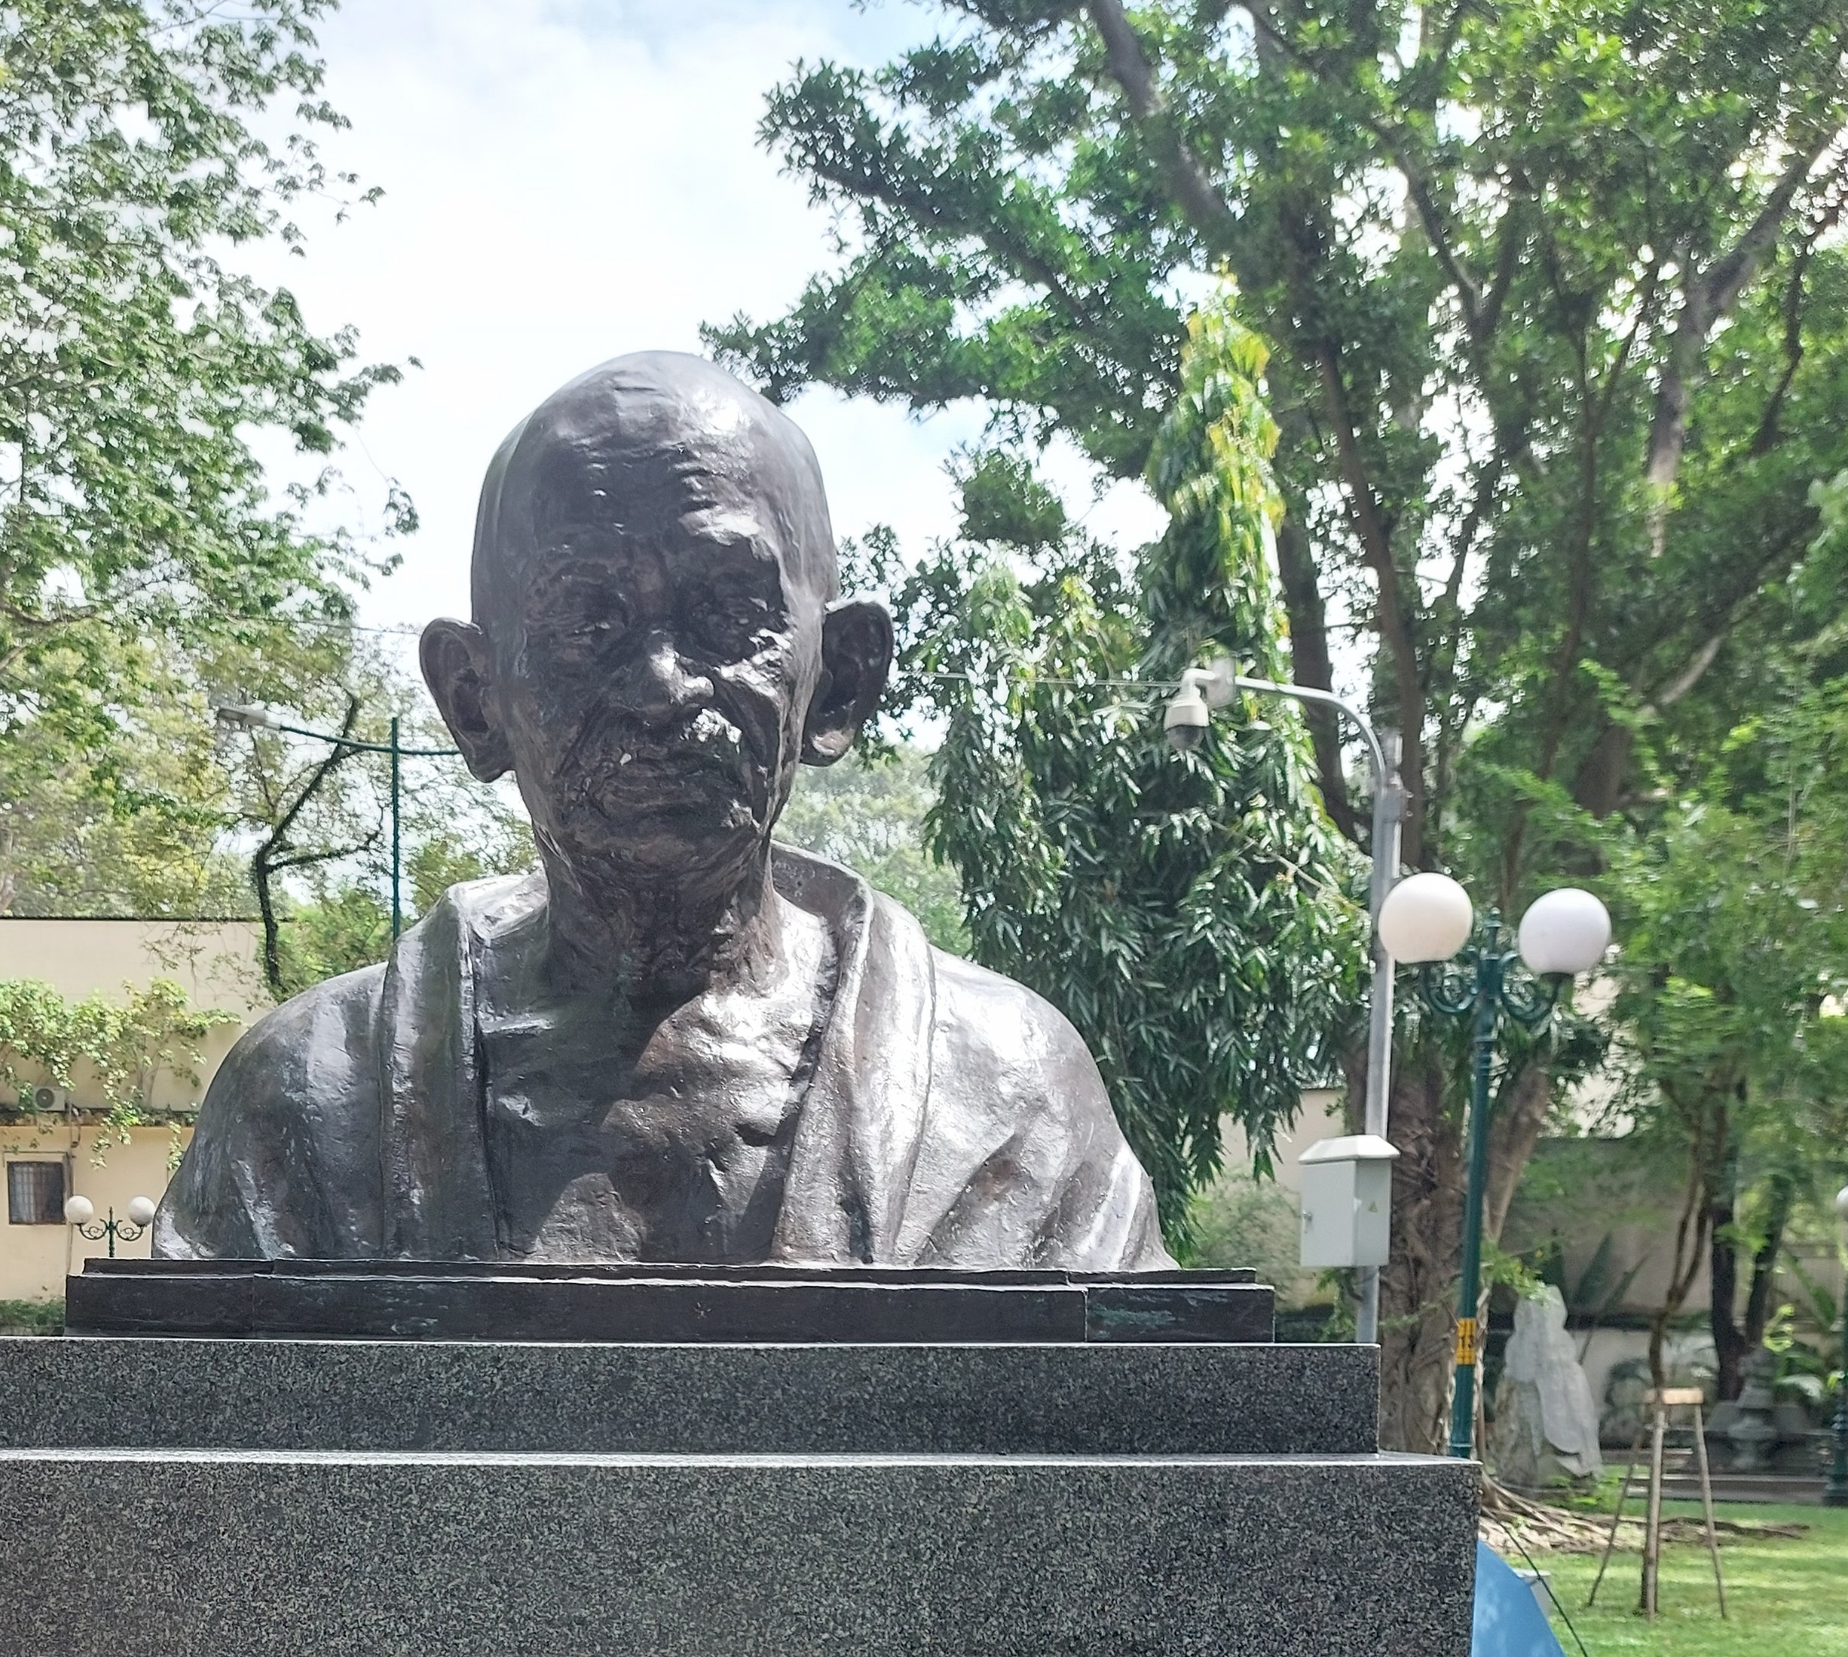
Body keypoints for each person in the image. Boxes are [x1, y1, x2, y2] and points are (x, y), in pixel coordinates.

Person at [154, 350, 1166, 1273]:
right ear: (474, 698)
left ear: (840, 681)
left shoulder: (1010, 1095)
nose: (658, 687)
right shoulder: (301, 1110)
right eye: (586, 620)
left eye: (728, 615)